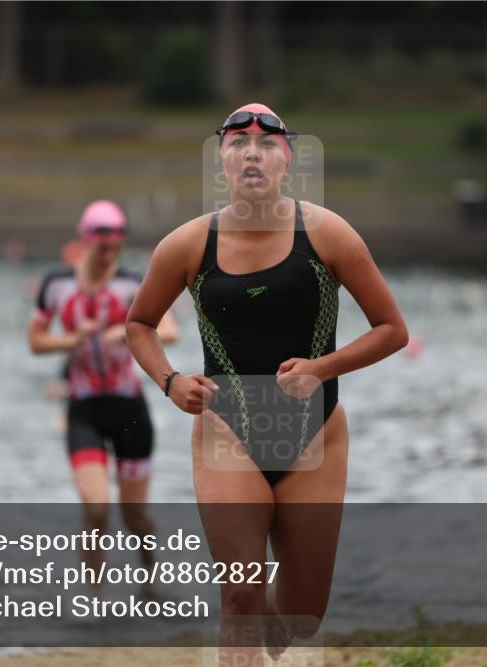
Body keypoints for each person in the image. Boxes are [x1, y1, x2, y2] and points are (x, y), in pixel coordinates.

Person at [125, 103, 408, 661]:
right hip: (226, 431)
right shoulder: (187, 245)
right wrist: (170, 381)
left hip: (315, 434)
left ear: (286, 161)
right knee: (241, 592)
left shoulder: (328, 235)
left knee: (303, 615)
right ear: (222, 162)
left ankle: (270, 618)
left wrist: (321, 369)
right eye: (238, 145)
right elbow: (139, 324)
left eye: (265, 146)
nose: (251, 155)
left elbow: (393, 330)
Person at [28, 200, 178, 586]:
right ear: (86, 239)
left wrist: (129, 332)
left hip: (130, 412)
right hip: (84, 411)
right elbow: (35, 341)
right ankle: (93, 599)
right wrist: (70, 340)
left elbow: (171, 331)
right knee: (96, 508)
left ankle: (149, 575)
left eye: (117, 243)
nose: (111, 250)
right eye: (103, 243)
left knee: (134, 517)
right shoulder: (57, 284)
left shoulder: (132, 284)